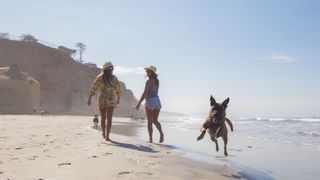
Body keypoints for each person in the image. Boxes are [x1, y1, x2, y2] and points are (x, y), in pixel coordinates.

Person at [87, 62, 121, 141]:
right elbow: (118, 89)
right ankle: (107, 136)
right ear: (110, 69)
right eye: (112, 69)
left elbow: (94, 88)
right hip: (111, 100)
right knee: (109, 118)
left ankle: (103, 132)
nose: (113, 70)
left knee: (103, 118)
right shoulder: (114, 78)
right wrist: (118, 98)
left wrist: (89, 98)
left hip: (102, 99)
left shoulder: (100, 77)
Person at [136, 65, 164, 143]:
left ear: (151, 72)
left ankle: (150, 139)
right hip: (157, 101)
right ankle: (161, 133)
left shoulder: (149, 81)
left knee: (149, 122)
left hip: (150, 101)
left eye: (147, 71)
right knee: (155, 120)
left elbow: (145, 93)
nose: (146, 73)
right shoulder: (157, 81)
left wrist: (139, 103)